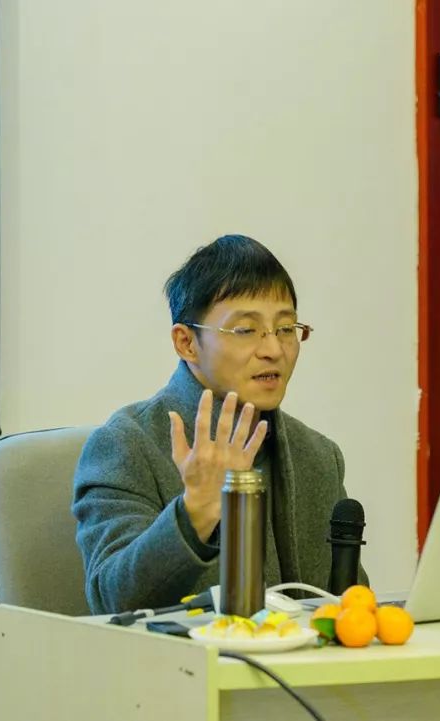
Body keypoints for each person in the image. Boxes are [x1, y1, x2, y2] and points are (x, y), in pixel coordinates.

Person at [72, 234, 364, 614]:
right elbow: (111, 600)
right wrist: (195, 511)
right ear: (186, 343)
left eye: (286, 329)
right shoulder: (126, 445)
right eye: (245, 330)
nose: (273, 349)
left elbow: (349, 610)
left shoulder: (320, 457)